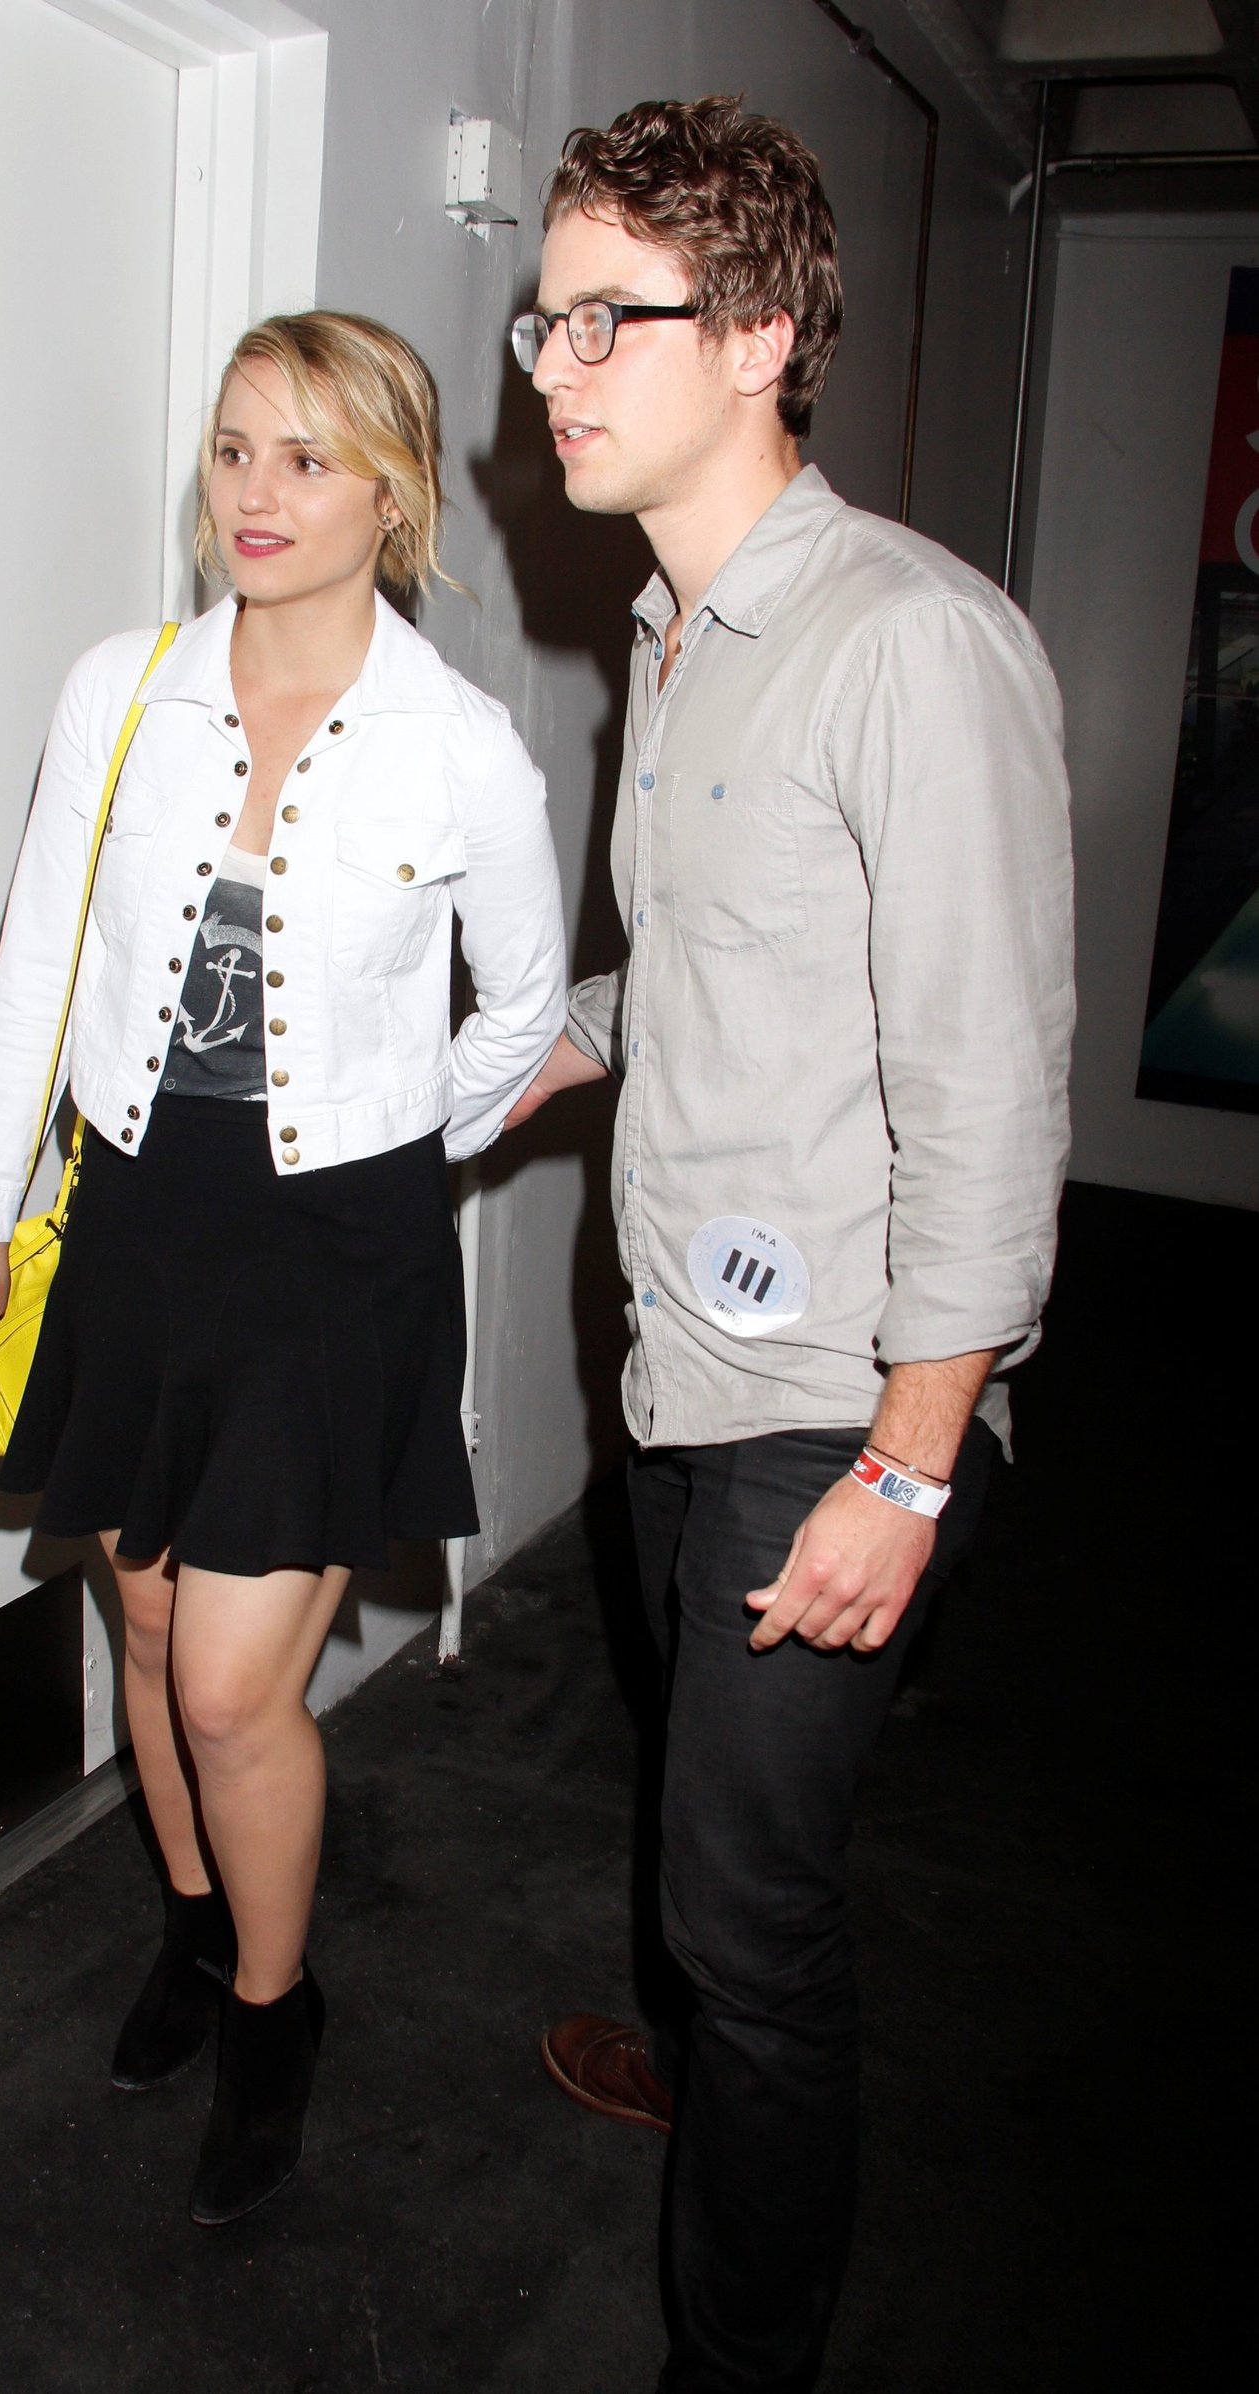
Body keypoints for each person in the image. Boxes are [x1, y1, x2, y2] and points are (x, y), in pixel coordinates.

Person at [503, 100, 1074, 2392]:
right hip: (674, 1368)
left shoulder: (909, 643)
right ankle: (716, 2076)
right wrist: (555, 1037)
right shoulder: (680, 628)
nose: (551, 364)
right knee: (697, 1845)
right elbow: (753, 965)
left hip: (832, 1405)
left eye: (601, 318)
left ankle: (740, 2340)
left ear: (755, 335)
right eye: (541, 313)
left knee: (756, 1915)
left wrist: (911, 1466)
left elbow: (985, 1081)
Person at [0, 311, 566, 2226]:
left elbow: (520, 1020)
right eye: (231, 451)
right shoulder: (124, 688)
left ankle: (276, 2008)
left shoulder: (462, 752)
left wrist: (378, 1152)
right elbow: (35, 965)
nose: (257, 497)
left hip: (326, 1259)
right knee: (134, 1621)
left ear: (392, 491)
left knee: (221, 1689)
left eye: (307, 457)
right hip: (126, 1220)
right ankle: (195, 1936)